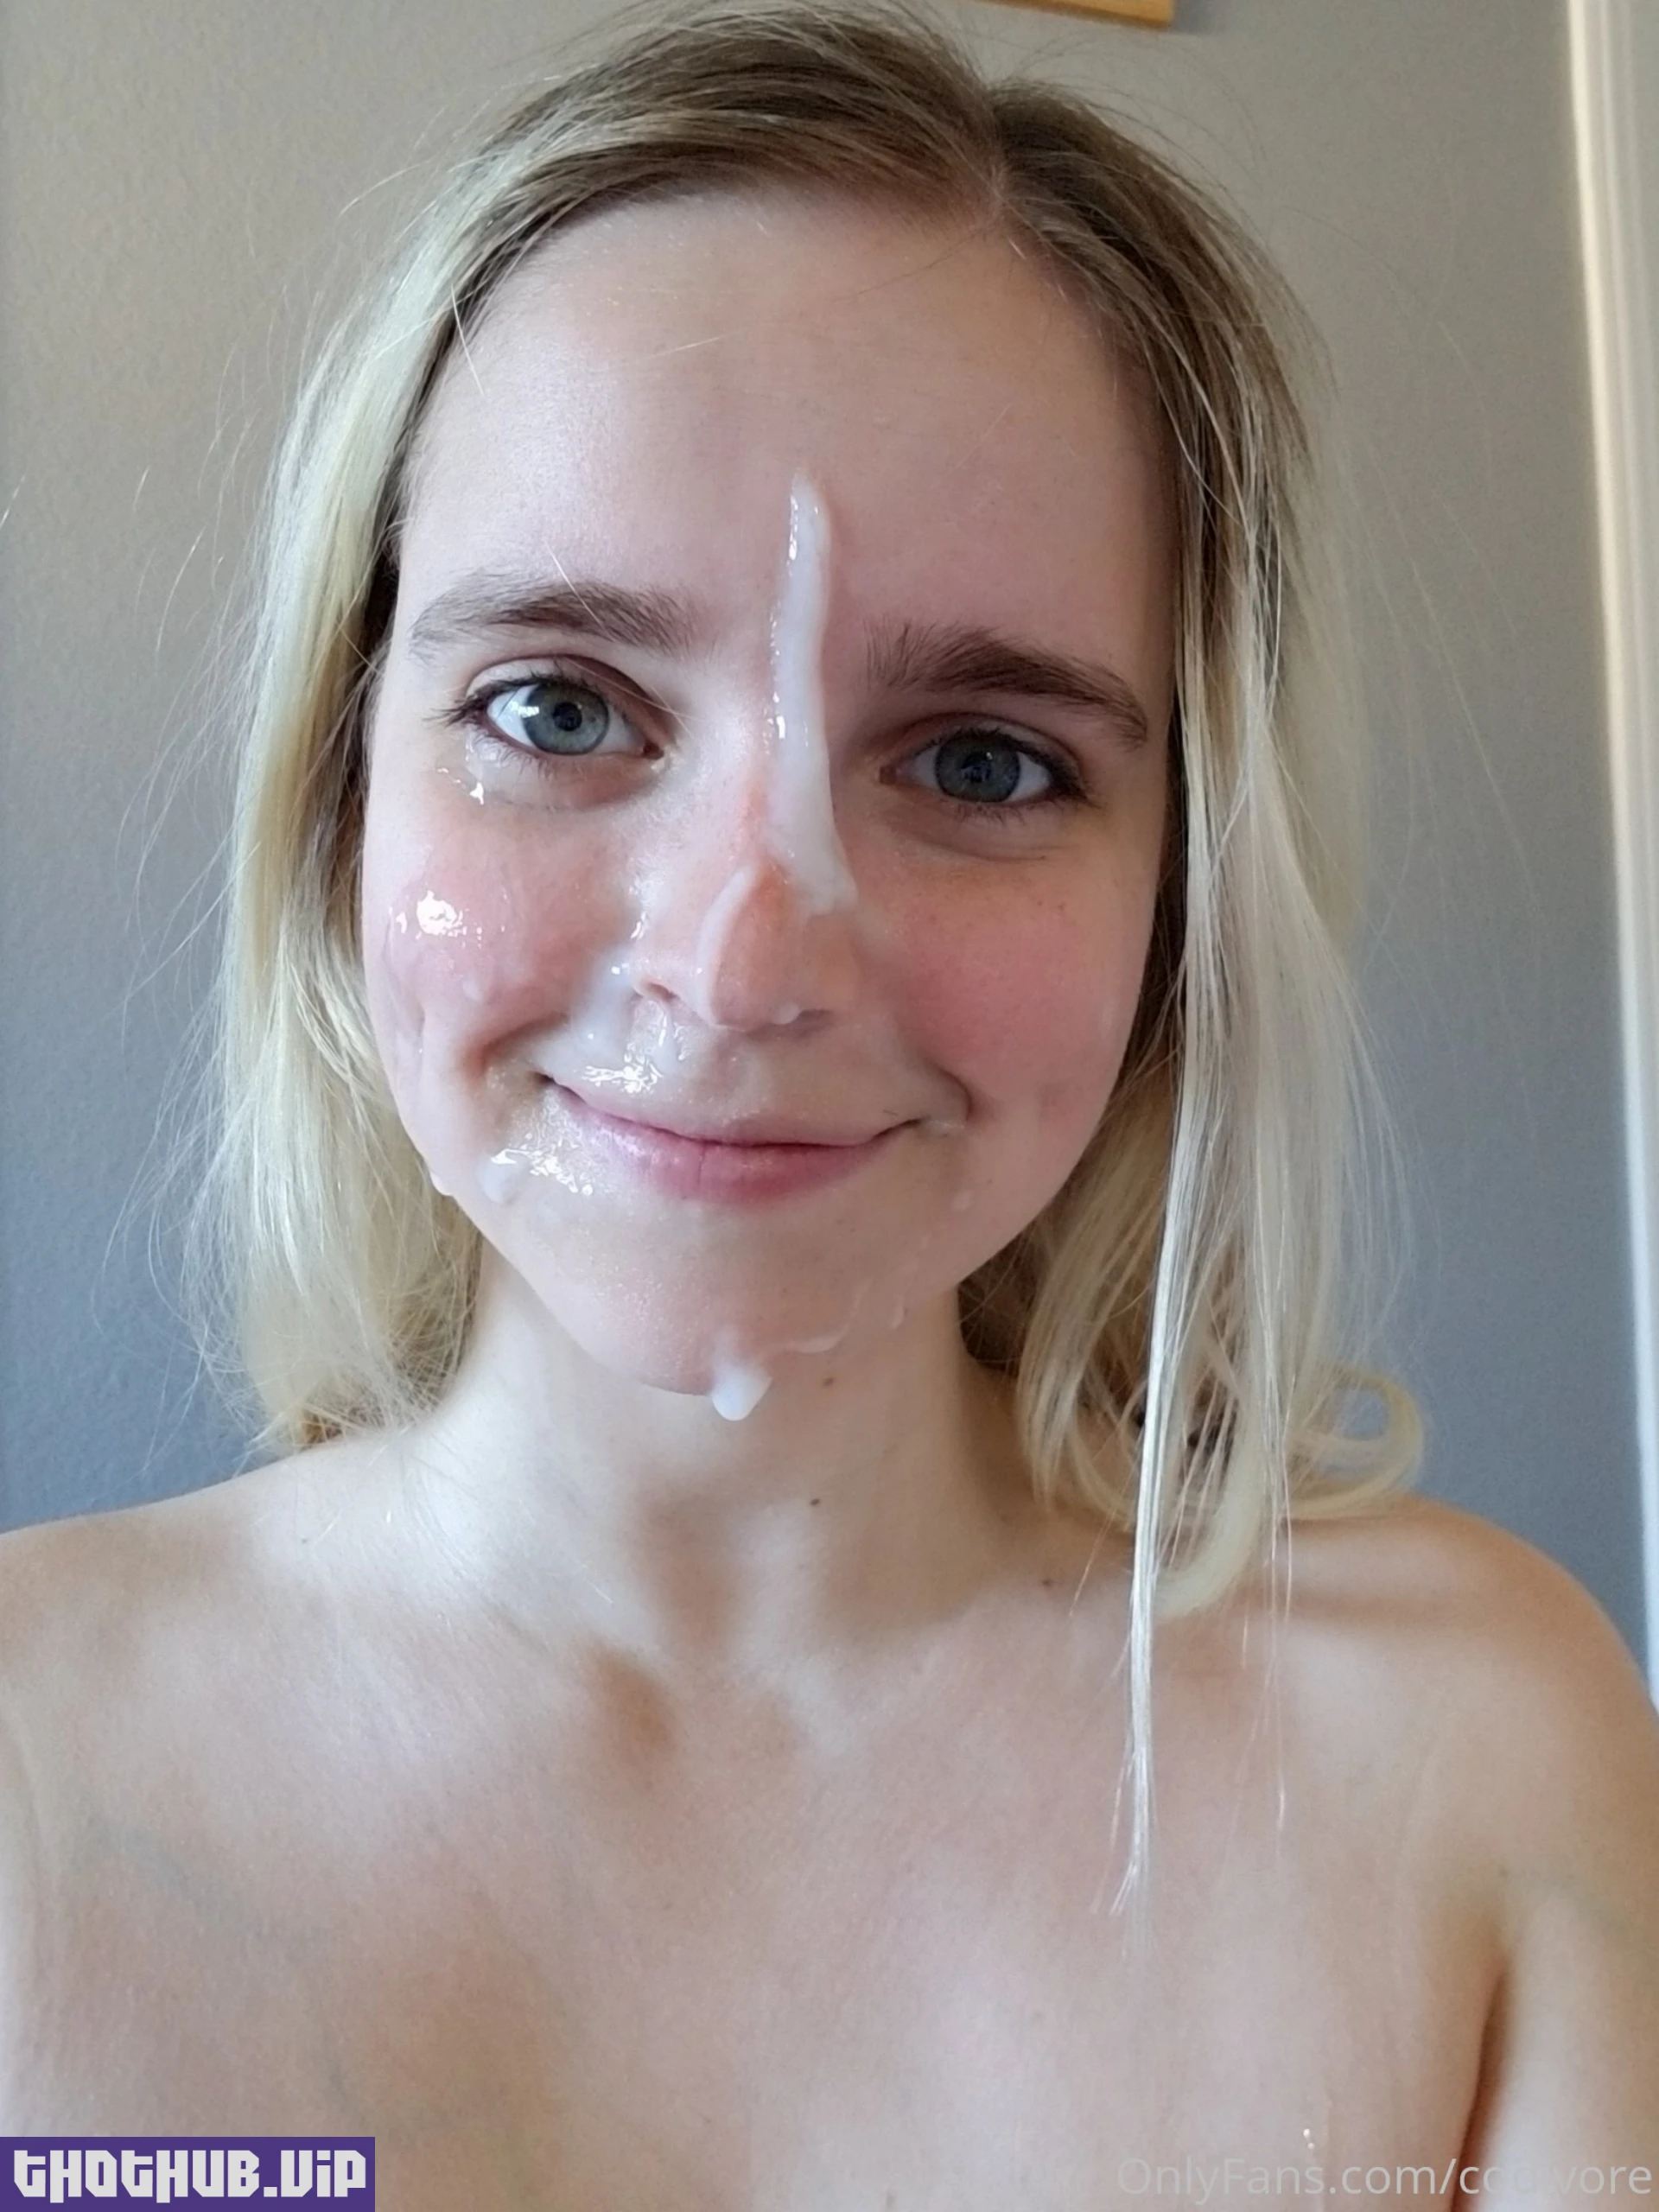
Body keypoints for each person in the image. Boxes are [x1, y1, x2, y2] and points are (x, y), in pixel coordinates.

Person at [2, 3, 1656, 2196]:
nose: (742, 962)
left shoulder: (1478, 1755)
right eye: (557, 706)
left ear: (1180, 901)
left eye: (983, 760)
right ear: (341, 796)